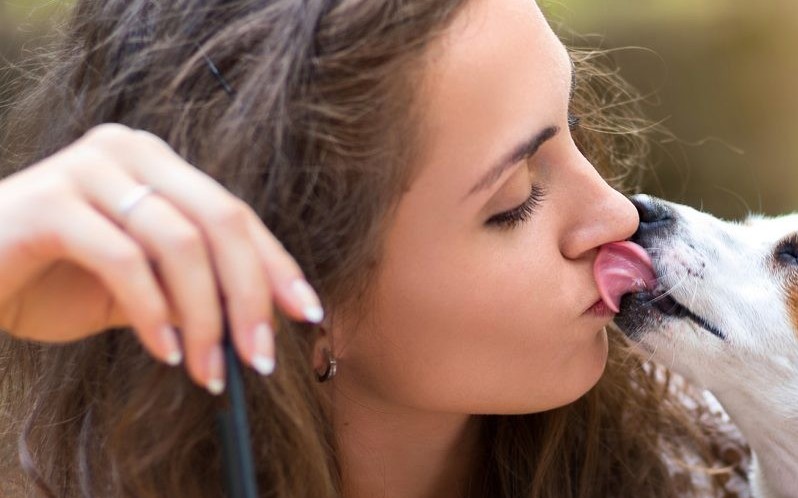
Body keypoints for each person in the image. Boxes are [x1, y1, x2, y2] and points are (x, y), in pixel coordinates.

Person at [0, 0, 751, 496]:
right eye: (514, 199)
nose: (618, 213)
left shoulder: (729, 458)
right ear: (293, 289)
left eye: (575, 126)